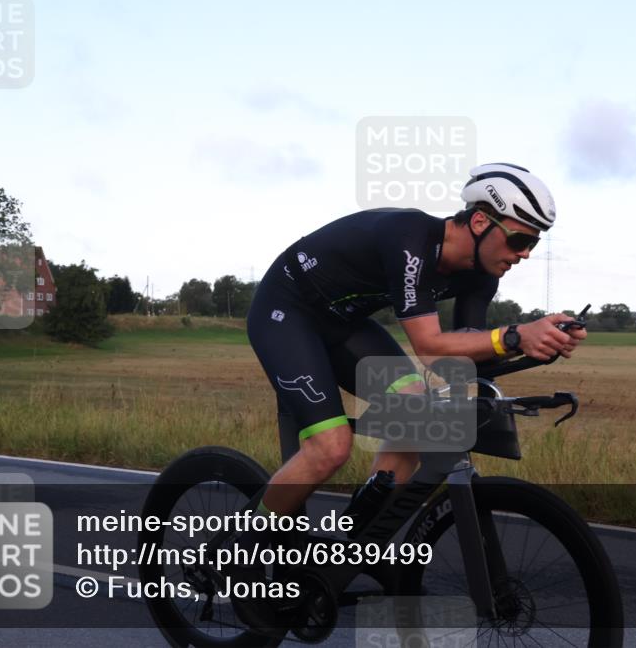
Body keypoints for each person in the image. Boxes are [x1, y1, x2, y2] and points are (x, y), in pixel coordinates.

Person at [230, 163, 587, 631]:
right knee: (331, 446)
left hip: (343, 323)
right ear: (480, 221)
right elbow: (430, 345)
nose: (523, 254)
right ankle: (240, 554)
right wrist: (516, 335)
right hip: (287, 309)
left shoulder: (481, 276)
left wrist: (539, 349)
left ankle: (347, 549)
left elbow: (460, 358)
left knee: (415, 414)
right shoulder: (410, 238)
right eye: (520, 240)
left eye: (534, 244)